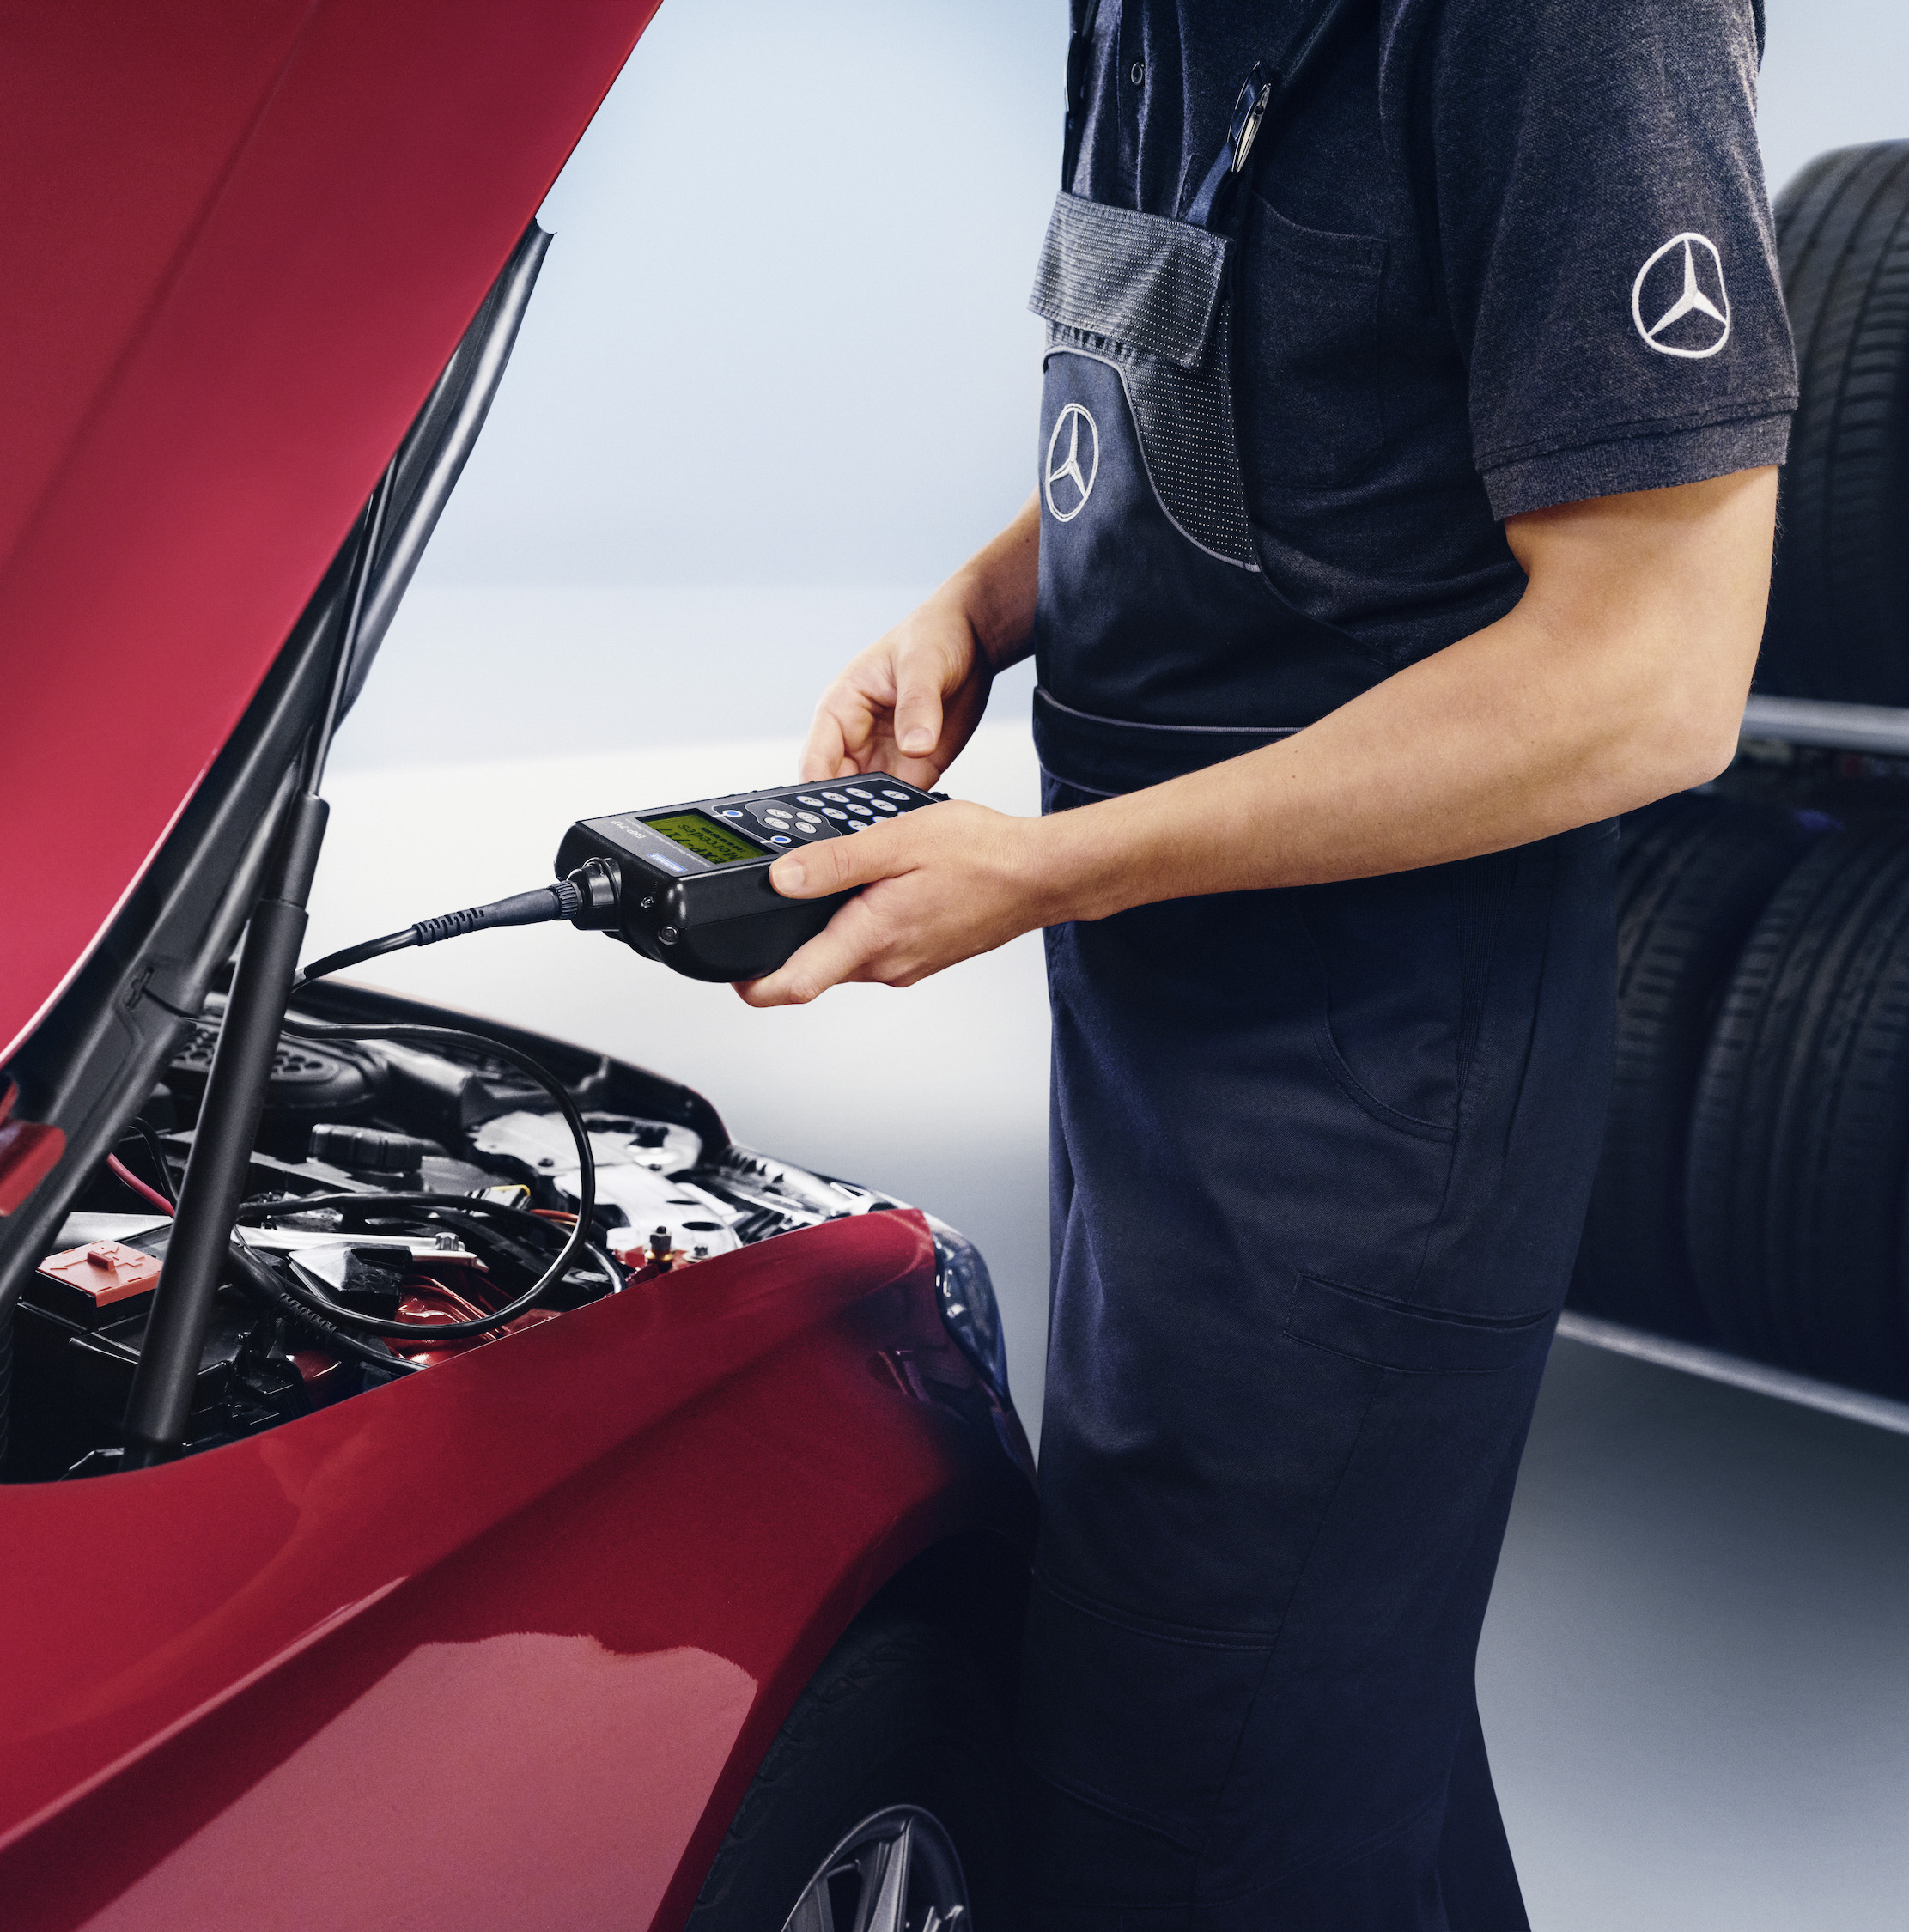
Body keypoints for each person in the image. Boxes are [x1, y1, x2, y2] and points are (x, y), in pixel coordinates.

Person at [741, 1, 1794, 1924]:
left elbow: (1654, 668)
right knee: (1312, 1726)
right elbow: (1280, 395)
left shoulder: (1584, 30)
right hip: (1150, 1001)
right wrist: (984, 604)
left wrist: (1056, 868)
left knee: (1193, 1784)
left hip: (1378, 1052)